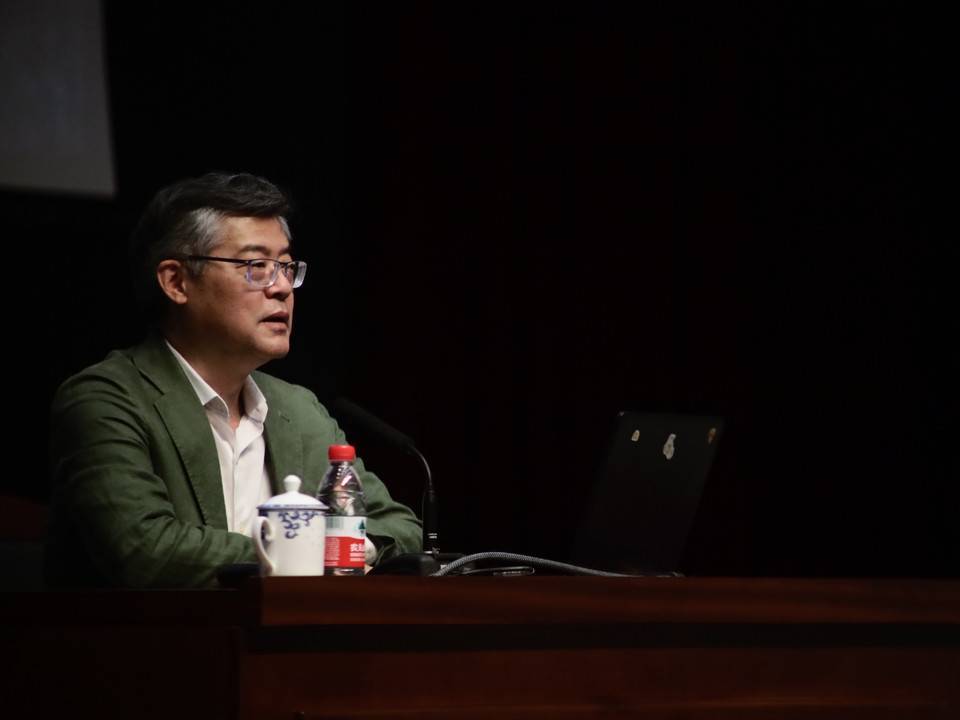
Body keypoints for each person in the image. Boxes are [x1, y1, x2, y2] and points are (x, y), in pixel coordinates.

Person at [45, 172, 422, 588]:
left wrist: (340, 550)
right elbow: (146, 549)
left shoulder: (300, 411)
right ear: (176, 282)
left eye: (285, 267)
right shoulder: (106, 400)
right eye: (256, 266)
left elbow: (399, 528)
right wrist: (304, 553)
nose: (282, 288)